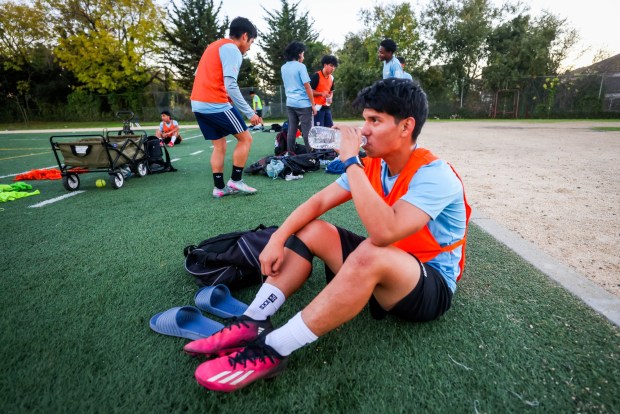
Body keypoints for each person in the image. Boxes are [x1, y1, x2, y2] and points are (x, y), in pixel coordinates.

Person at [184, 78, 472, 392]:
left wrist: (350, 161)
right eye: (365, 120)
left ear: (406, 127)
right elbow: (317, 203)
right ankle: (253, 320)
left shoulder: (435, 174)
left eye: (375, 121)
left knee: (371, 251)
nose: (363, 130)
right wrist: (278, 239)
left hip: (430, 285)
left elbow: (384, 232)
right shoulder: (375, 165)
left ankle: (274, 349)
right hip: (389, 265)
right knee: (311, 228)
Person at [191, 17, 263, 199]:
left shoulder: (213, 46)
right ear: (245, 36)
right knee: (246, 139)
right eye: (251, 42)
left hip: (198, 104)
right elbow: (230, 85)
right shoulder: (232, 49)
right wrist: (250, 113)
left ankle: (219, 188)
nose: (249, 47)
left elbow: (201, 75)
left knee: (219, 145)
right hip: (214, 103)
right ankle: (236, 181)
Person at [281, 41, 316, 153]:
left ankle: (290, 154)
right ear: (299, 54)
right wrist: (313, 105)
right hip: (303, 104)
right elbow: (307, 86)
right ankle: (310, 155)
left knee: (291, 130)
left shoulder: (283, 67)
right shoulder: (301, 66)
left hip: (290, 103)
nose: (303, 57)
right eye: (303, 54)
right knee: (307, 131)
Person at [310, 55, 338, 128]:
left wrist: (330, 98)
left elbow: (331, 91)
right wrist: (321, 94)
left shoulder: (332, 78)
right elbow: (309, 91)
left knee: (330, 129)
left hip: (326, 107)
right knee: (319, 130)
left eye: (334, 66)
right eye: (331, 65)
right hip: (317, 107)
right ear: (325, 65)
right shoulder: (316, 76)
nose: (333, 68)